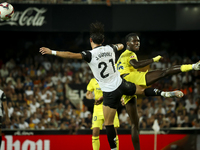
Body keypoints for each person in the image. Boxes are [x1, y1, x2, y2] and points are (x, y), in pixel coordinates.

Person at [39, 22, 183, 150]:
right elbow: (119, 45)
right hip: (121, 83)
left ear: (90, 41)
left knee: (108, 124)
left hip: (110, 92)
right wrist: (119, 46)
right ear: (102, 40)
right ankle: (165, 94)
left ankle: (114, 149)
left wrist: (52, 51)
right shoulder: (110, 48)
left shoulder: (89, 54)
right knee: (141, 90)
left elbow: (70, 55)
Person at [116, 33, 200, 150]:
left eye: (138, 41)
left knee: (135, 124)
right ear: (127, 43)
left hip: (123, 85)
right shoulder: (129, 53)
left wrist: (120, 93)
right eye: (134, 41)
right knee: (163, 72)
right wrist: (153, 60)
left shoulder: (120, 58)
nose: (137, 43)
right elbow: (135, 65)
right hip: (130, 78)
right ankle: (194, 67)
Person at [86, 78, 119, 150]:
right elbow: (88, 94)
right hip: (98, 108)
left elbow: (115, 91)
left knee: (114, 130)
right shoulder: (93, 81)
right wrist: (89, 96)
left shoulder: (110, 78)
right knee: (95, 131)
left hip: (110, 105)